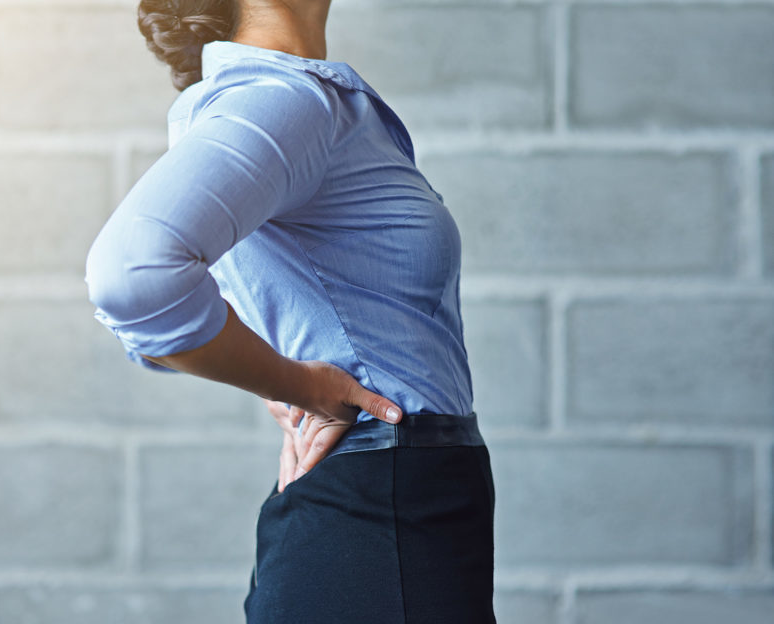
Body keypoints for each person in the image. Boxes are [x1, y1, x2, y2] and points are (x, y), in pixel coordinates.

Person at [84, 0, 497, 621]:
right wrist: (295, 381)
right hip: (381, 515)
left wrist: (284, 366)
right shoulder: (283, 97)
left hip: (397, 507)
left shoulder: (298, 98)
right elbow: (132, 276)